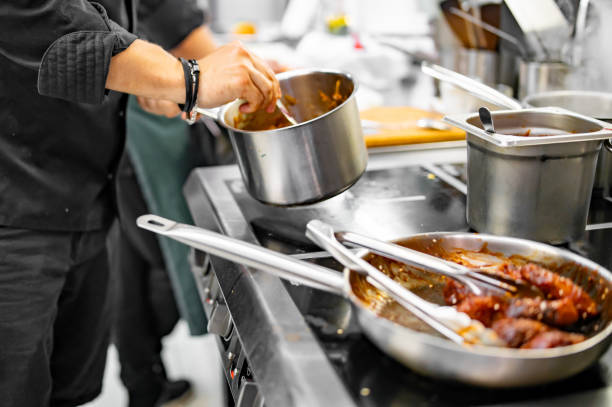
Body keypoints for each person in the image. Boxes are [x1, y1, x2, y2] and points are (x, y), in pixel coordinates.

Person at [0, 2, 280, 407]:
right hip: (14, 207)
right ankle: (144, 375)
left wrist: (154, 74)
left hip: (87, 190)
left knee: (67, 390)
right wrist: (187, 77)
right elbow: (40, 18)